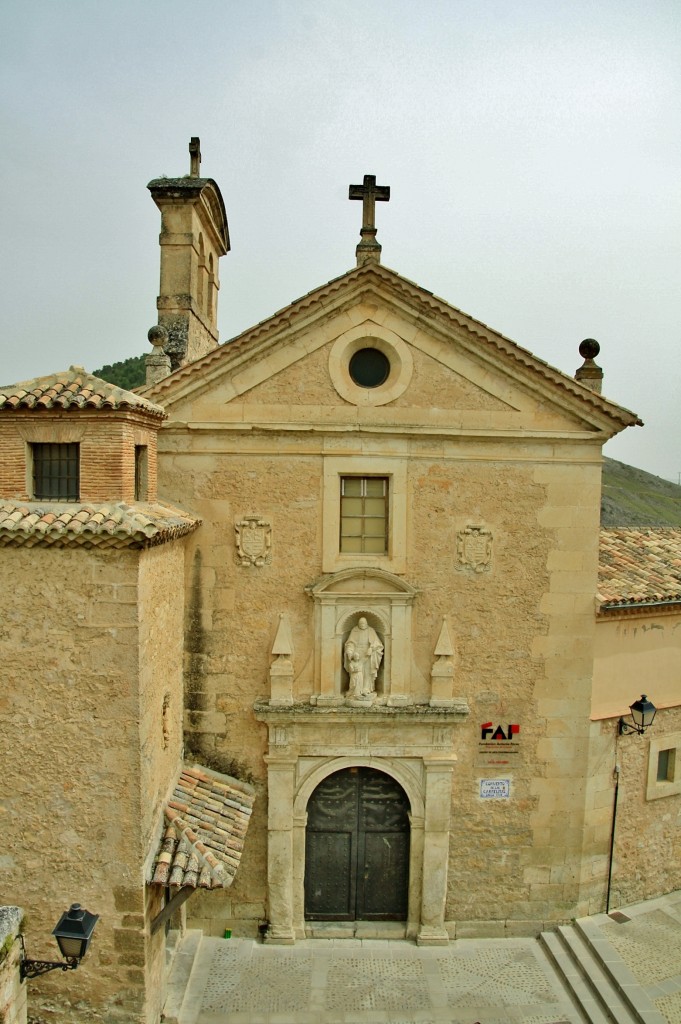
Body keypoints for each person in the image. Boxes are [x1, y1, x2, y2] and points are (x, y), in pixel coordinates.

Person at [344, 617, 383, 696]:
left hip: (367, 654)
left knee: (367, 671)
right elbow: (350, 643)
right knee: (356, 670)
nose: (362, 625)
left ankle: (366, 688)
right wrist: (350, 651)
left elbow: (378, 643)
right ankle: (355, 689)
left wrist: (371, 648)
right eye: (360, 623)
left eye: (363, 623)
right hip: (357, 653)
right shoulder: (354, 630)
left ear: (366, 623)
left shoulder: (371, 630)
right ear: (358, 624)